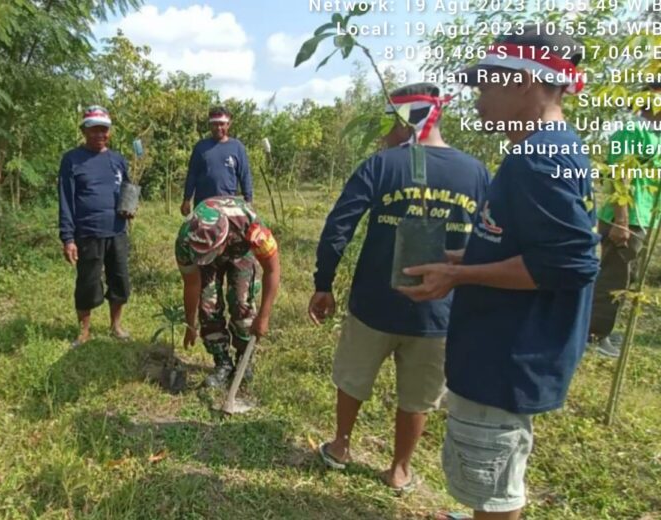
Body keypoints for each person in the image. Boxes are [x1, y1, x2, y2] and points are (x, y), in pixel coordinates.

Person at [399, 29, 599, 520]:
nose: (479, 99)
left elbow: (568, 263)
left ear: (524, 82)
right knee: (491, 476)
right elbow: (533, 243)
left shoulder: (537, 160)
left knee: (492, 486)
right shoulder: (553, 148)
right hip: (509, 349)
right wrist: (465, 258)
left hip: (504, 357)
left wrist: (460, 278)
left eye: (486, 86)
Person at [309, 83, 490, 491]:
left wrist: (324, 284)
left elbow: (339, 226)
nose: (383, 131)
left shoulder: (381, 166)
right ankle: (399, 469)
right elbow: (491, 239)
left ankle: (340, 446)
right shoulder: (476, 173)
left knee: (353, 376)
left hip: (375, 304)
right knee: (419, 394)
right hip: (440, 312)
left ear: (408, 120)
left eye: (389, 119)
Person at [588, 82, 661, 357]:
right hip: (625, 220)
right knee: (614, 277)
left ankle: (602, 330)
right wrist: (621, 220)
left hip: (641, 219)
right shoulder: (632, 131)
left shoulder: (655, 136)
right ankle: (593, 334)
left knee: (624, 276)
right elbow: (620, 176)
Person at [175, 196, 280, 387]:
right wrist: (190, 325)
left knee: (242, 302)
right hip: (208, 252)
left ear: (223, 241)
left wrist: (263, 317)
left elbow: (272, 269)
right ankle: (222, 362)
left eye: (210, 253)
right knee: (208, 305)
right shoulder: (185, 241)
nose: (206, 258)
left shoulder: (250, 224)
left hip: (241, 251)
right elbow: (191, 285)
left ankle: (244, 359)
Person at [58, 105, 133, 348]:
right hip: (88, 232)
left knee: (120, 280)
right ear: (84, 131)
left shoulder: (118, 159)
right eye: (94, 130)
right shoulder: (72, 160)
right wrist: (68, 238)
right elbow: (66, 200)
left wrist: (130, 205)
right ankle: (84, 331)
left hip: (117, 231)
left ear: (109, 132)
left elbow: (127, 189)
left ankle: (115, 325)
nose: (99, 135)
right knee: (87, 283)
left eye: (104, 130)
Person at [180, 106, 254, 216]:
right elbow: (192, 175)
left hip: (229, 206)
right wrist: (186, 199)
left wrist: (248, 201)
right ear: (210, 125)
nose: (218, 127)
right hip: (203, 206)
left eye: (222, 124)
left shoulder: (237, 147)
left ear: (228, 125)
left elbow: (244, 175)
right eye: (215, 124)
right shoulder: (200, 147)